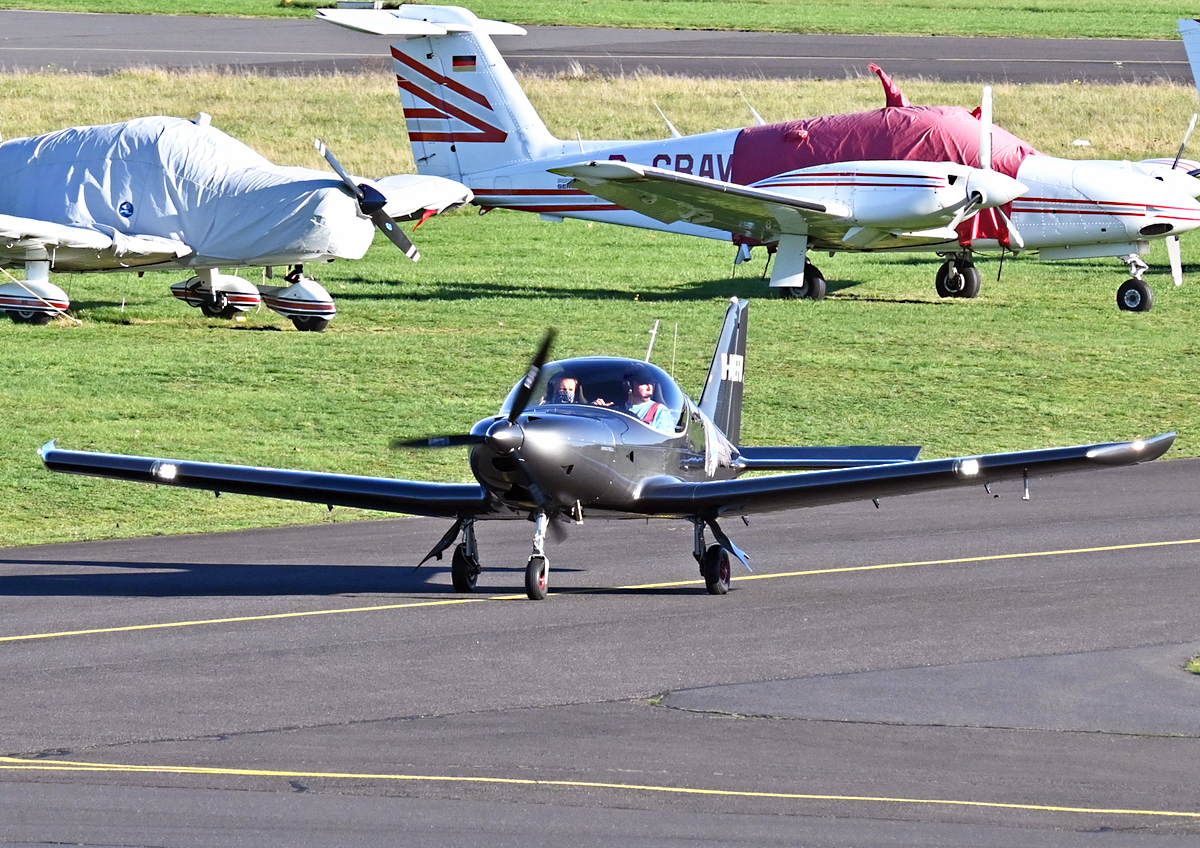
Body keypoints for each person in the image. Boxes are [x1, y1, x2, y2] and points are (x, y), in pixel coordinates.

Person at [622, 365, 674, 431]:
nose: (649, 388)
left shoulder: (660, 411)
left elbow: (667, 439)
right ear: (629, 385)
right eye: (644, 383)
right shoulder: (618, 408)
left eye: (652, 383)